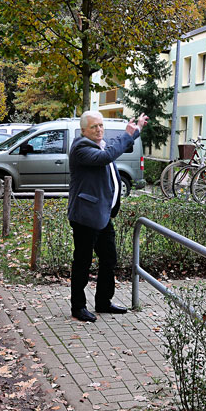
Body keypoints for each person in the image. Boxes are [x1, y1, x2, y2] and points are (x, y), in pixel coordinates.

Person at [68, 111, 148, 322]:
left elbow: (115, 146)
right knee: (82, 263)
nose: (99, 129)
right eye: (94, 127)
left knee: (109, 259)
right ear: (83, 130)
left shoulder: (99, 144)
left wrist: (136, 130)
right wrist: (127, 135)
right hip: (86, 216)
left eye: (101, 125)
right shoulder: (81, 148)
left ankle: (103, 301)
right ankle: (78, 307)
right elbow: (107, 156)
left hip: (103, 215)